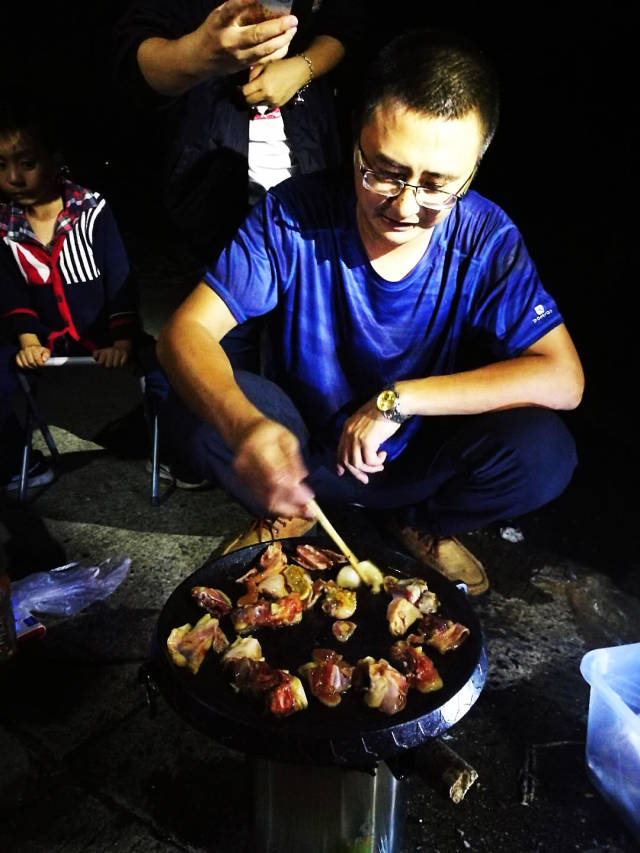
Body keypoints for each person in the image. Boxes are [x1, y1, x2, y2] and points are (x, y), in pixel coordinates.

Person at [155, 29, 584, 594]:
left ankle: (422, 525)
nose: (404, 205)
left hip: (414, 465)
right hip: (303, 456)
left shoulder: (486, 237)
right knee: (185, 398)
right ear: (357, 136)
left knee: (543, 450)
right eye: (383, 170)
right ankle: (291, 515)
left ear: (473, 171)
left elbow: (564, 378)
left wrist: (399, 400)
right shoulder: (294, 213)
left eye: (437, 185)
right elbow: (184, 331)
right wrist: (246, 425)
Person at [113, 0, 364, 265]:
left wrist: (304, 66)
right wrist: (197, 56)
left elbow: (345, 24)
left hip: (309, 161)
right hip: (201, 185)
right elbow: (131, 58)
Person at [0, 98, 167, 491]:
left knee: (170, 369)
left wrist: (122, 341)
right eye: (1, 167)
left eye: (26, 163)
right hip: (43, 341)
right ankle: (15, 463)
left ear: (53, 160)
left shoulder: (91, 210)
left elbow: (120, 279)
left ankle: (173, 455)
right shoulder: (4, 227)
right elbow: (9, 294)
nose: (13, 178)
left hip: (108, 336)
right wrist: (27, 340)